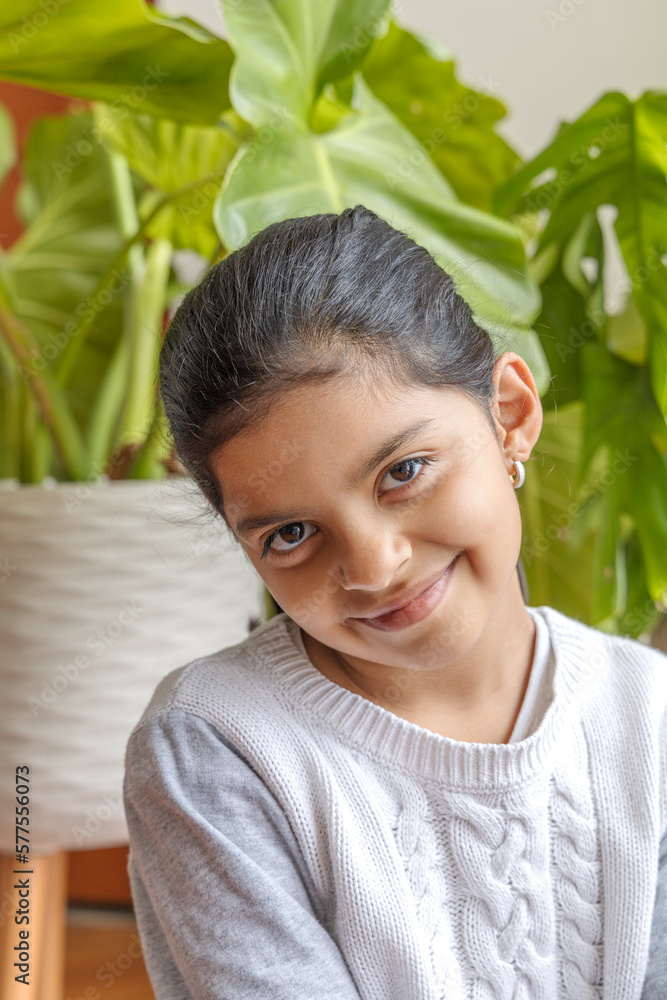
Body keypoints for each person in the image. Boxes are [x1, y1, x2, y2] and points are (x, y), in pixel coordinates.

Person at [123, 204, 666, 1000]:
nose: (375, 566)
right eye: (292, 533)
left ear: (509, 416)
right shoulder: (215, 746)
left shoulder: (649, 722)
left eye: (404, 472)